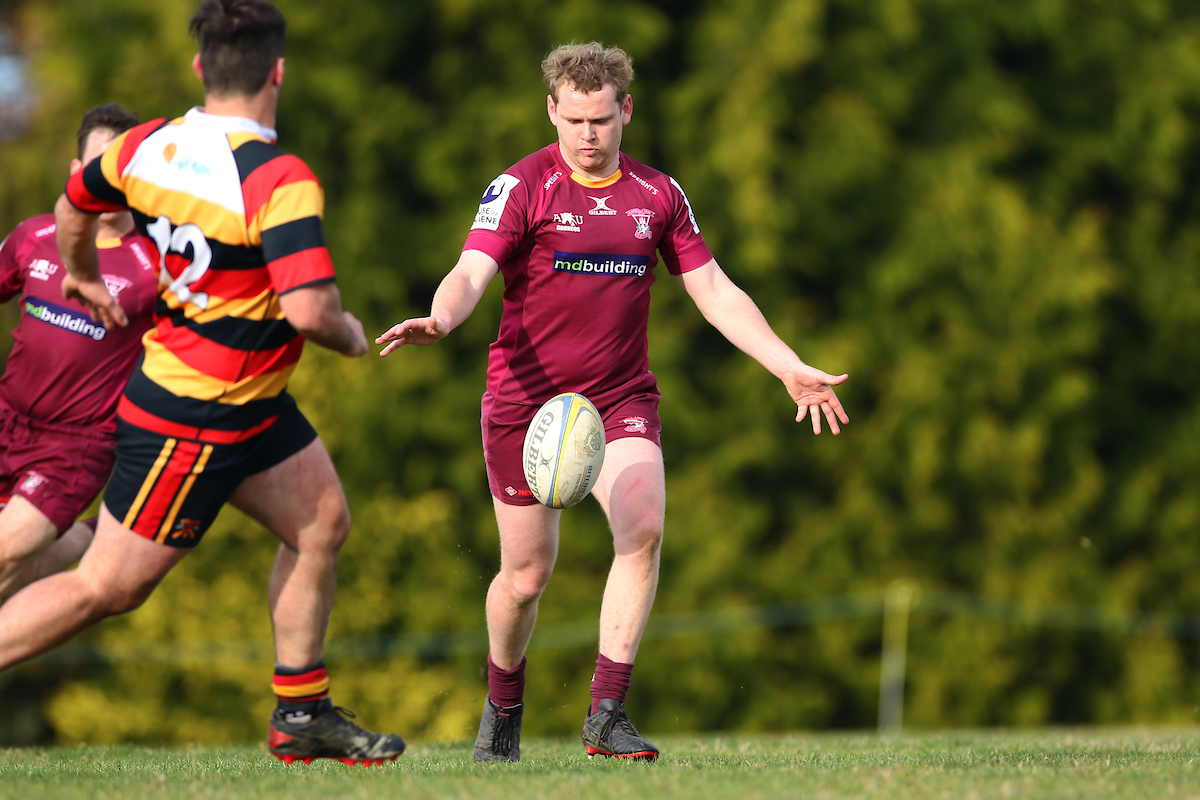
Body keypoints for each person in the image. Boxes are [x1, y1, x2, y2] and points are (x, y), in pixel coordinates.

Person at [376, 42, 850, 762]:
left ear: (625, 110)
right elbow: (470, 270)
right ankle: (503, 701)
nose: (587, 135)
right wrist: (442, 318)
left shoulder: (659, 195)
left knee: (645, 530)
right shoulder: (522, 187)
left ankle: (605, 712)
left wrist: (785, 365)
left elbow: (714, 290)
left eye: (601, 119)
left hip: (619, 396)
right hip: (527, 404)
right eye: (573, 120)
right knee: (526, 577)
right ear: (552, 112)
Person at [0, 0, 404, 766]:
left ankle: (300, 713)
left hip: (250, 402)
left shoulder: (149, 145)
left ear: (200, 69)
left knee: (320, 527)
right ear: (278, 72)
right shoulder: (279, 179)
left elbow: (71, 203)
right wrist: (351, 336)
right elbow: (312, 310)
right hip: (192, 413)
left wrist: (80, 270)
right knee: (107, 587)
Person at [0, 104, 154, 603]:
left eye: (121, 171)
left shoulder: (158, 266)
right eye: (97, 171)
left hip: (75, 449)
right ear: (75, 173)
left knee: (3, 554)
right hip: (6, 418)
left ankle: (91, 536)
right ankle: (90, 538)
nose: (108, 184)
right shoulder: (34, 236)